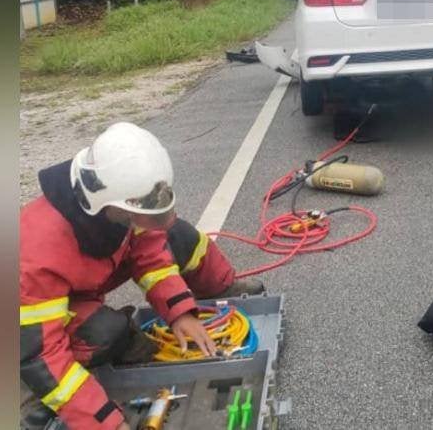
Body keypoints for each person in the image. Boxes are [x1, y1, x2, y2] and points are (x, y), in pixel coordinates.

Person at [20, 122, 264, 430]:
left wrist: (180, 313)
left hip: (81, 284)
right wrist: (105, 421)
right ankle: (31, 398)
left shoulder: (112, 203)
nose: (144, 222)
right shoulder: (36, 251)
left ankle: (222, 286)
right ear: (109, 206)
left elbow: (151, 256)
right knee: (103, 334)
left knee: (178, 235)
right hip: (22, 322)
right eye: (134, 216)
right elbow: (42, 352)